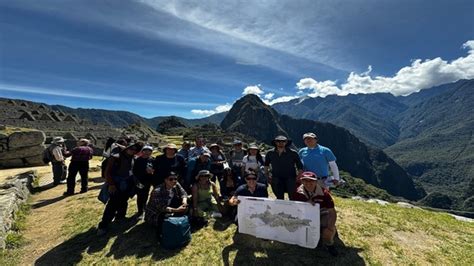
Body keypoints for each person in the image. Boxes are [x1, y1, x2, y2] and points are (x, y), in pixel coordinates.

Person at [97, 142, 144, 236]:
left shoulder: (133, 158)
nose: (133, 151)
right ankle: (103, 225)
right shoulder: (116, 157)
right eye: (131, 148)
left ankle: (120, 217)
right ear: (127, 148)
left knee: (123, 201)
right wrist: (111, 184)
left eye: (135, 150)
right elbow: (108, 172)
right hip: (116, 184)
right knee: (112, 204)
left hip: (127, 183)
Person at [292, 171, 338, 256]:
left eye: (311, 181)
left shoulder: (325, 194)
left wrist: (330, 227)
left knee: (327, 231)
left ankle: (329, 244)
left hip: (322, 214)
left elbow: (332, 212)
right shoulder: (297, 193)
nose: (308, 183)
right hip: (305, 215)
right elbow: (294, 208)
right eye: (305, 180)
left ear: (316, 181)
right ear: (301, 181)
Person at [145, 172, 188, 239]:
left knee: (187, 205)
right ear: (165, 180)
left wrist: (184, 202)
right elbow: (161, 208)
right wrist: (177, 210)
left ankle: (177, 220)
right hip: (156, 213)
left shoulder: (176, 184)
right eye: (171, 179)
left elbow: (183, 193)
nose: (174, 181)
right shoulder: (157, 191)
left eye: (175, 179)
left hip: (169, 206)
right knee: (165, 218)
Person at [264, 135, 303, 200]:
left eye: (283, 141)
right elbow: (266, 165)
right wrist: (267, 176)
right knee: (279, 198)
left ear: (286, 142)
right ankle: (280, 210)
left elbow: (300, 166)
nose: (281, 143)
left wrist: (298, 177)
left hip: (291, 178)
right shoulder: (270, 153)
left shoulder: (293, 153)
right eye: (278, 141)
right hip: (276, 178)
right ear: (275, 142)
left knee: (293, 197)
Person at [132, 145, 155, 220]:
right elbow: (134, 171)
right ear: (142, 151)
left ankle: (144, 208)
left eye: (149, 151)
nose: (147, 152)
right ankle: (140, 212)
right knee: (140, 196)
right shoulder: (138, 160)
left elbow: (155, 169)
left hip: (148, 181)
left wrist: (152, 172)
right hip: (139, 181)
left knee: (145, 195)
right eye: (145, 151)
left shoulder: (152, 159)